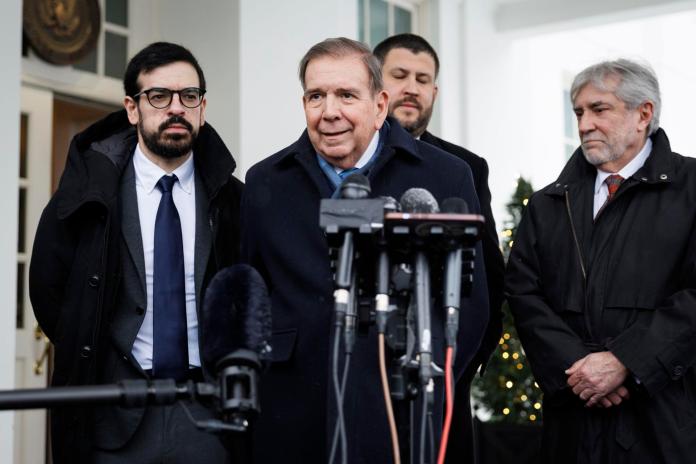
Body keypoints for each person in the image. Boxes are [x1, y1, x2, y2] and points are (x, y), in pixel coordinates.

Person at [241, 37, 489, 463]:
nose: (329, 111)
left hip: (403, 414)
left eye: (346, 95)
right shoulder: (265, 181)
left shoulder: (447, 175)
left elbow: (473, 305)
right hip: (293, 413)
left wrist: (427, 381)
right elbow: (247, 296)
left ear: (379, 106)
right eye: (316, 96)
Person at [29, 42, 243, 464]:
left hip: (206, 413)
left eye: (189, 96)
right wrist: (92, 354)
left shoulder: (233, 199)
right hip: (112, 412)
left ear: (202, 107)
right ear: (132, 108)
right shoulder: (87, 194)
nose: (176, 108)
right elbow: (48, 291)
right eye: (159, 97)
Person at [506, 58, 696, 463]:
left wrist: (627, 361)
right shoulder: (547, 203)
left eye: (599, 109)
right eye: (578, 112)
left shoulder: (691, 189)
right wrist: (579, 368)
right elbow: (523, 292)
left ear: (643, 113)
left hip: (664, 421)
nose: (584, 124)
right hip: (572, 422)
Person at [374, 33, 505, 463]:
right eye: (399, 75)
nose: (412, 87)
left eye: (422, 78)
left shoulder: (464, 168)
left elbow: (488, 273)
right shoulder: (344, 157)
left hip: (442, 375)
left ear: (435, 91)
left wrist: (460, 364)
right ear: (375, 82)